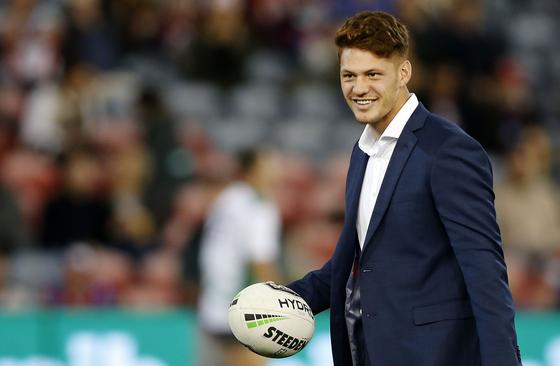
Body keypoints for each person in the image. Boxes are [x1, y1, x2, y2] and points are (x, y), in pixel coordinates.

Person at [286, 11, 521, 366]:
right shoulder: (362, 151)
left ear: (404, 73)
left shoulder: (449, 150)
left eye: (373, 75)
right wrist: (289, 299)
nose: (359, 88)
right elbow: (358, 260)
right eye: (349, 75)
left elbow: (484, 270)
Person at [198, 148, 283, 366]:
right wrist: (279, 306)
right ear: (253, 170)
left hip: (213, 305)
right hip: (243, 310)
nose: (276, 169)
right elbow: (260, 261)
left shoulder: (228, 197)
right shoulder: (258, 205)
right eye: (269, 164)